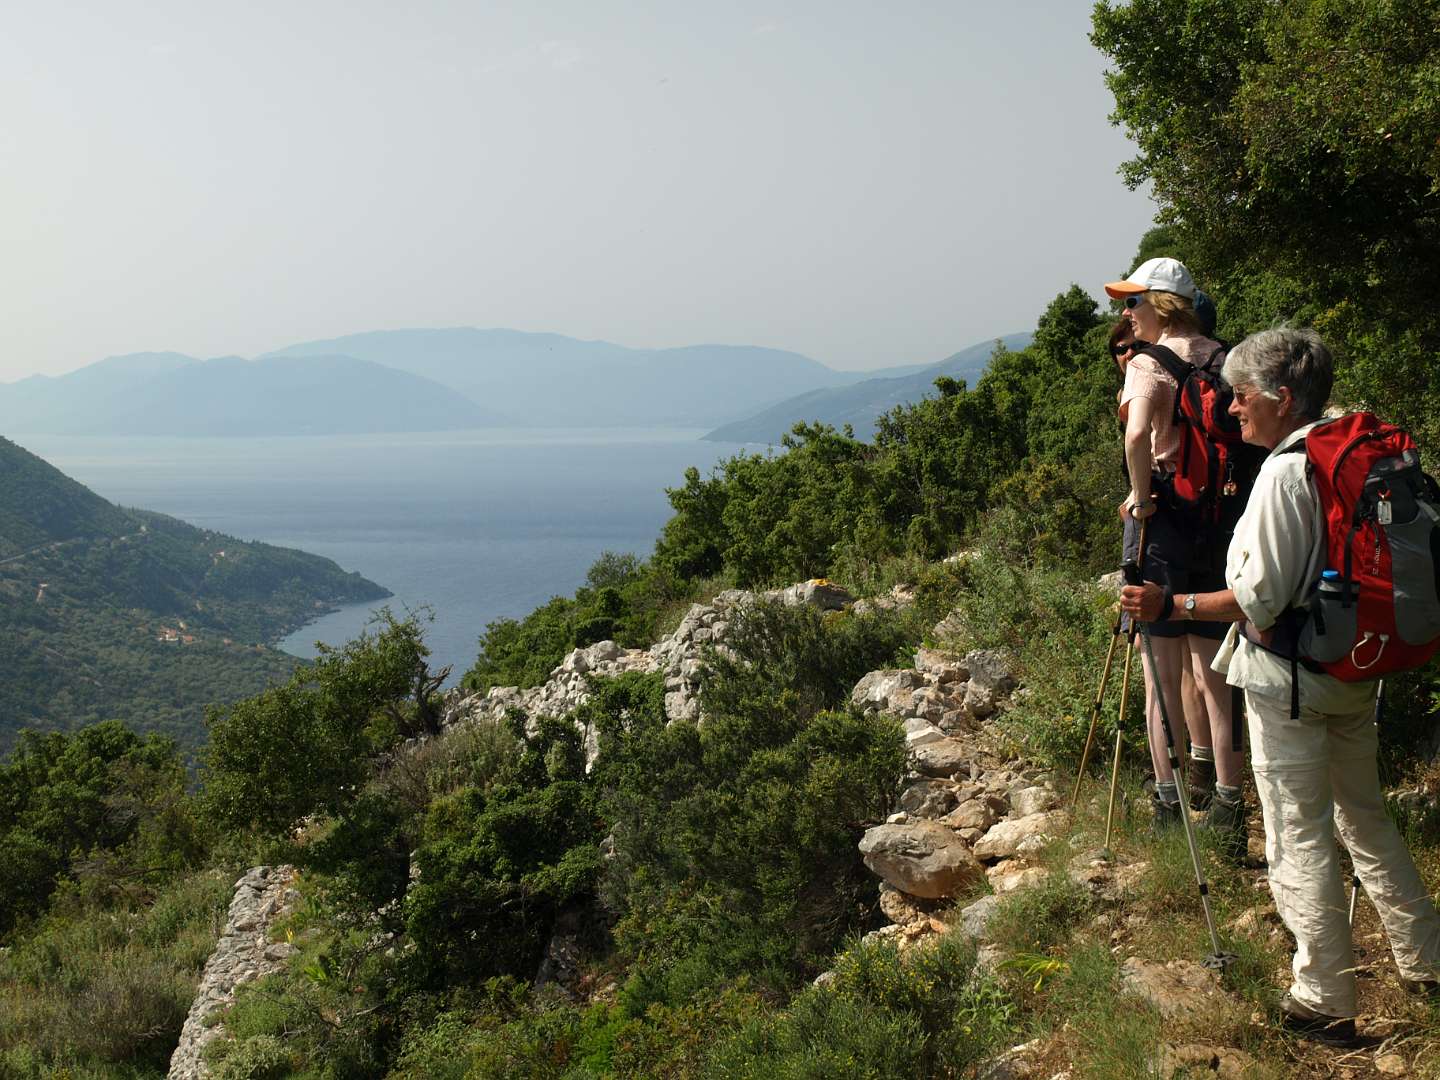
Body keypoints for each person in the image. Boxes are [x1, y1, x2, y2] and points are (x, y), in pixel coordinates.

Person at [1120, 327, 1440, 1044]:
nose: (1232, 409)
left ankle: (1323, 999)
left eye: (1241, 396)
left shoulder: (1286, 473)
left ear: (1282, 398)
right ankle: (1426, 960)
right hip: (1352, 668)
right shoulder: (1343, 451)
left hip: (1291, 682)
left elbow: (1257, 599)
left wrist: (1172, 605)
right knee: (1364, 816)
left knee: (1298, 834)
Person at [1104, 259, 1244, 838]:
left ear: (1159, 303)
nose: (1126, 313)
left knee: (1159, 677)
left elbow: (1137, 433)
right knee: (1217, 676)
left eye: (1133, 301)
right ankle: (1230, 808)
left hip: (1164, 527)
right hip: (1221, 524)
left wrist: (1141, 499)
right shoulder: (1224, 356)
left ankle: (1170, 804)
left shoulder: (1147, 364)